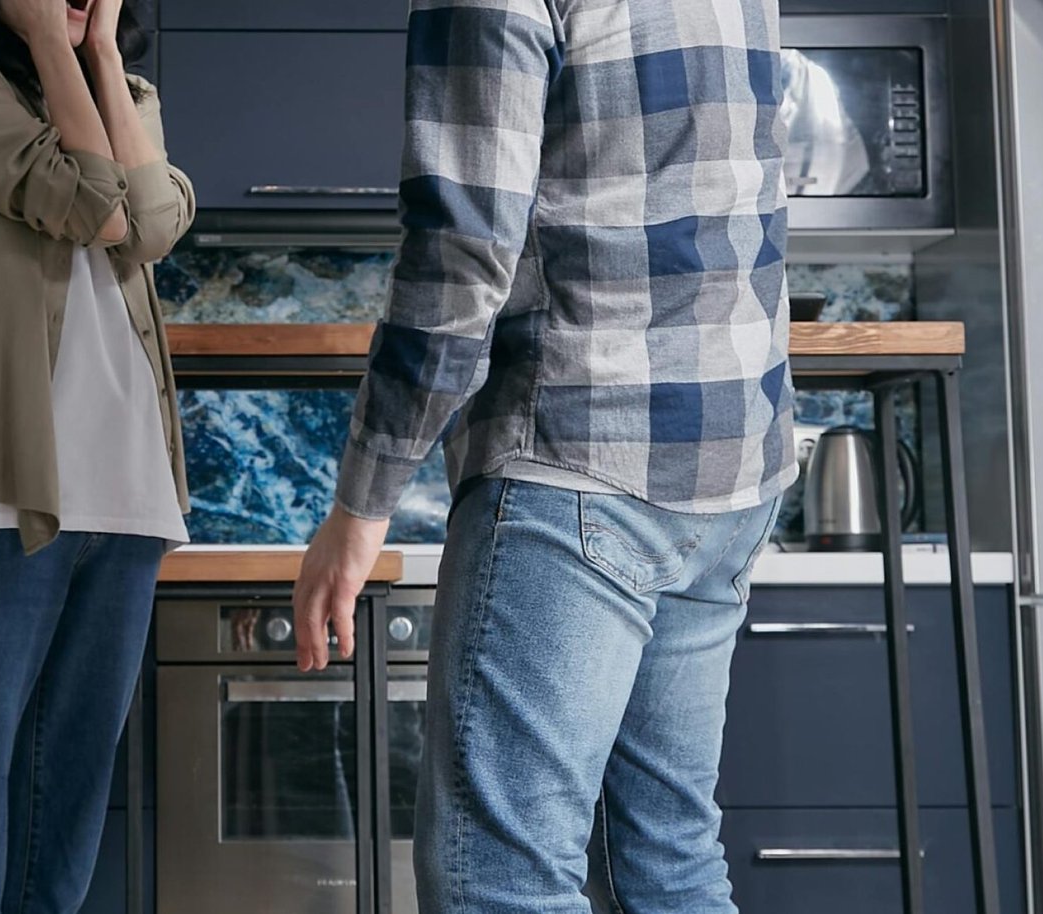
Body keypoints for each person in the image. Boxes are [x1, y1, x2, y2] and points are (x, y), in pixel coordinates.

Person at [293, 1, 795, 911]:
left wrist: (360, 505)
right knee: (671, 856)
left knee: (501, 881)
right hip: (732, 463)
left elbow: (460, 251)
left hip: (577, 454)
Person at [0, 0, 194, 908]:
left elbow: (153, 229)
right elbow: (94, 203)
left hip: (130, 498)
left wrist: (97, 48)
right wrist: (61, 43)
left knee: (62, 835)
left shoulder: (128, 92)